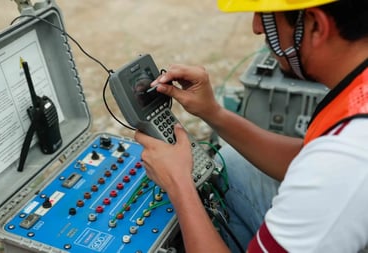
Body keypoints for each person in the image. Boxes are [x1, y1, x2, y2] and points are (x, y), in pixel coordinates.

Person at [134, 0, 368, 252]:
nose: (257, 27)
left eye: (267, 17)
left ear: (316, 26)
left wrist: (179, 183)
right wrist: (213, 112)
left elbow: (330, 167)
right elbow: (303, 159)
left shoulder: (347, 159)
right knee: (233, 162)